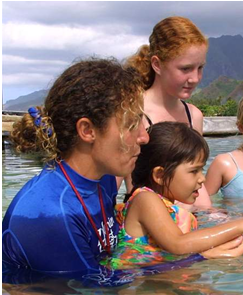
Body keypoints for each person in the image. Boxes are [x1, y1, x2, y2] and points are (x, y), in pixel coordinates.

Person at [3, 58, 149, 278]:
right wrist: (195, 260)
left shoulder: (104, 178)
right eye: (130, 124)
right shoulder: (52, 214)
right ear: (87, 130)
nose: (144, 137)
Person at [102, 121, 243, 270]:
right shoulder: (145, 199)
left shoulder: (167, 205)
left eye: (202, 169)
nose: (202, 178)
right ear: (160, 175)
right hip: (138, 290)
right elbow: (178, 244)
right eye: (194, 171)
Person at [125, 16, 212, 207]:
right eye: (186, 69)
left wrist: (213, 214)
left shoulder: (194, 116)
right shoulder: (132, 112)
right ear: (157, 64)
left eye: (200, 68)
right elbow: (111, 185)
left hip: (189, 219)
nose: (195, 78)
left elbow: (195, 174)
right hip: (152, 224)